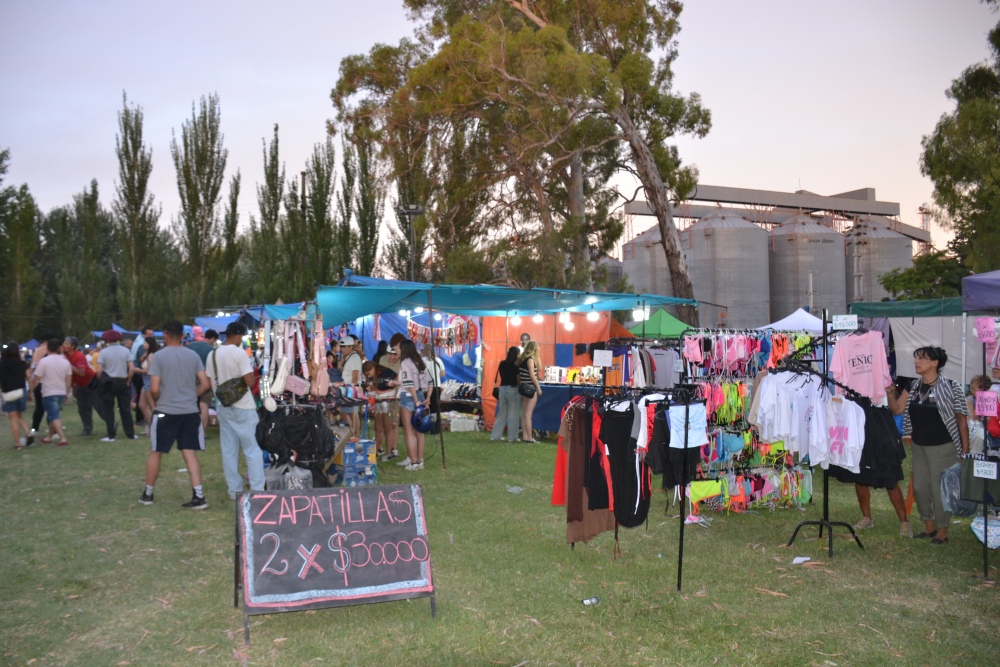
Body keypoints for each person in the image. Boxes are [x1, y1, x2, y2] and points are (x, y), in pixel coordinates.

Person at [887, 346, 969, 545]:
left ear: (935, 363)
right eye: (916, 358)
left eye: (922, 358)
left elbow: (961, 420)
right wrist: (890, 393)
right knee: (921, 488)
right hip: (919, 445)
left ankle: (942, 530)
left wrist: (965, 450)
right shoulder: (912, 386)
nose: (917, 362)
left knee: (939, 488)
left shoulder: (951, 386)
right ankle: (929, 526)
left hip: (944, 446)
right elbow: (897, 409)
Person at [139, 320, 211, 509]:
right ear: (182, 335)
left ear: (164, 334)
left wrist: (160, 398)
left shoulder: (159, 357)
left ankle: (148, 493)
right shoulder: (192, 355)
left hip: (166, 410)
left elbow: (154, 388)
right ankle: (199, 495)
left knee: (156, 451)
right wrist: (191, 395)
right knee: (189, 452)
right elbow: (205, 384)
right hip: (189, 411)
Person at [206, 322, 265, 500]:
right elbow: (248, 381)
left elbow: (211, 383)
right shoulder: (239, 353)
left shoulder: (212, 354)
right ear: (239, 337)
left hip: (223, 406)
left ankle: (234, 491)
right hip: (244, 407)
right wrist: (254, 378)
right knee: (252, 450)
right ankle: (257, 490)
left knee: (229, 450)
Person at [96, 329, 137, 442]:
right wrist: (128, 380)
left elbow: (99, 371)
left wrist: (101, 381)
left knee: (109, 409)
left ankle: (111, 435)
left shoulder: (103, 352)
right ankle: (130, 434)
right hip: (123, 381)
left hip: (108, 382)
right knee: (125, 408)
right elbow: (132, 368)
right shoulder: (125, 351)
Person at [396, 339, 431, 470]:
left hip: (409, 397)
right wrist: (426, 397)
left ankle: (414, 462)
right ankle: (420, 461)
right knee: (419, 431)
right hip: (421, 394)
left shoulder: (405, 363)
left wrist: (415, 400)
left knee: (409, 431)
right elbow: (430, 382)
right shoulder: (420, 362)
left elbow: (409, 383)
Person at [30, 339, 72, 446]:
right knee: (55, 413)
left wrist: (31, 391)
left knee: (54, 416)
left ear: (47, 349)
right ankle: (49, 436)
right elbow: (68, 379)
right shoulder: (65, 361)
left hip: (49, 391)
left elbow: (37, 378)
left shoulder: (44, 361)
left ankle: (62, 438)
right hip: (61, 391)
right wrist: (67, 392)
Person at [63, 336, 101, 437]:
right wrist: (73, 387)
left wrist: (68, 365)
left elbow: (82, 373)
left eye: (66, 343)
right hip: (79, 385)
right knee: (82, 408)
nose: (64, 345)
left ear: (73, 346)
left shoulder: (78, 356)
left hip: (90, 381)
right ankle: (87, 429)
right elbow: (69, 374)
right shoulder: (65, 356)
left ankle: (112, 424)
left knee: (98, 405)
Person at [363, 359, 399, 460]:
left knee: (388, 428)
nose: (368, 375)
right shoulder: (372, 378)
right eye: (366, 374)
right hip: (379, 402)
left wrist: (375, 391)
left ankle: (389, 453)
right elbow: (375, 391)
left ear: (373, 368)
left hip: (389, 402)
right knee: (378, 428)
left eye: (369, 372)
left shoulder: (386, 373)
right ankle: (378, 449)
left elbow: (383, 389)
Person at [1, 341, 31, 449]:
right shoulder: (22, 363)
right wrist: (31, 392)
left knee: (12, 419)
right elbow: (28, 377)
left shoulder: (2, 364)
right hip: (22, 391)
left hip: (9, 392)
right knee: (19, 416)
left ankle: (17, 444)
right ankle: (28, 433)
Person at [187, 328, 218, 431]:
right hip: (207, 378)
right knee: (203, 405)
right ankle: (202, 433)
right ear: (213, 338)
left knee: (190, 404)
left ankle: (190, 429)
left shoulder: (191, 345)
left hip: (191, 377)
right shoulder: (212, 350)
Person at [491, 346, 522, 442]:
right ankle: (512, 437)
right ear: (517, 354)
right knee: (513, 414)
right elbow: (518, 379)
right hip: (513, 389)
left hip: (502, 389)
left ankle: (495, 436)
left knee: (501, 414)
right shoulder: (517, 364)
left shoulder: (502, 363)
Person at [28, 332, 54, 440]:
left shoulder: (37, 351)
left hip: (39, 382)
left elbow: (32, 368)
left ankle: (34, 429)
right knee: (52, 408)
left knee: (39, 408)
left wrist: (32, 386)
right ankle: (53, 429)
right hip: (51, 381)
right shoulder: (54, 350)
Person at [517, 340, 542, 442]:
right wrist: (538, 388)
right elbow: (533, 374)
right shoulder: (530, 360)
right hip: (531, 388)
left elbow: (539, 368)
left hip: (524, 388)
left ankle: (525, 436)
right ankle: (530, 438)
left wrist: (538, 356)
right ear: (534, 349)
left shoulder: (523, 358)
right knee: (528, 414)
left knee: (524, 414)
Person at [135, 336, 160, 435]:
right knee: (142, 405)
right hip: (145, 382)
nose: (143, 344)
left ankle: (156, 427)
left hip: (149, 382)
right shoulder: (147, 354)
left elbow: (150, 371)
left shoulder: (151, 356)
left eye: (145, 343)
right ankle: (151, 425)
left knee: (152, 406)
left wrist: (138, 370)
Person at [339, 335, 365, 434]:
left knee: (352, 413)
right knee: (345, 412)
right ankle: (352, 433)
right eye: (341, 347)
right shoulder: (349, 357)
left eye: (344, 347)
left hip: (352, 388)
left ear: (350, 347)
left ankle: (354, 434)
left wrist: (352, 390)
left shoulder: (354, 357)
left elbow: (355, 376)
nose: (342, 349)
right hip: (347, 388)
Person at [421, 343, 445, 433]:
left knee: (425, 408)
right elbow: (443, 374)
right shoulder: (438, 360)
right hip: (436, 386)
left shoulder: (421, 360)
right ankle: (436, 429)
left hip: (425, 387)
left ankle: (424, 427)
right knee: (436, 408)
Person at [966, 374, 993, 452]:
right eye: (979, 387)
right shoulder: (969, 401)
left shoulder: (990, 400)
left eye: (985, 388)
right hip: (976, 439)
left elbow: (989, 421)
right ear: (972, 389)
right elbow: (974, 422)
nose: (982, 390)